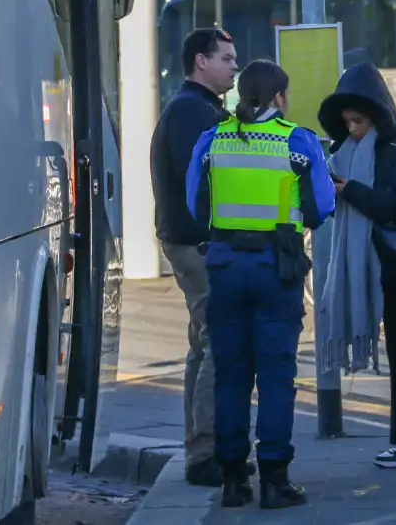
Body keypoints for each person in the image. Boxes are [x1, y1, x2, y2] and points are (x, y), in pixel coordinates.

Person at [186, 59, 335, 509]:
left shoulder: (212, 140)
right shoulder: (298, 142)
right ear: (279, 98)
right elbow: (321, 207)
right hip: (276, 268)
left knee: (230, 375)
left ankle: (233, 480)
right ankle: (275, 479)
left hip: (226, 267)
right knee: (276, 377)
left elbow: (196, 205)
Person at [317, 62, 396, 468]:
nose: (352, 128)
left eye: (359, 120)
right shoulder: (348, 154)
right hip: (386, 269)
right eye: (347, 122)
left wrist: (350, 190)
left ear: (378, 116)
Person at [148, 27, 238, 486]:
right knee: (218, 344)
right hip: (198, 243)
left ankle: (200, 446)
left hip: (191, 240)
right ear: (200, 61)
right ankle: (206, 454)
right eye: (226, 58)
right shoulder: (192, 112)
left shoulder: (196, 109)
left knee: (203, 345)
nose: (233, 67)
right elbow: (204, 181)